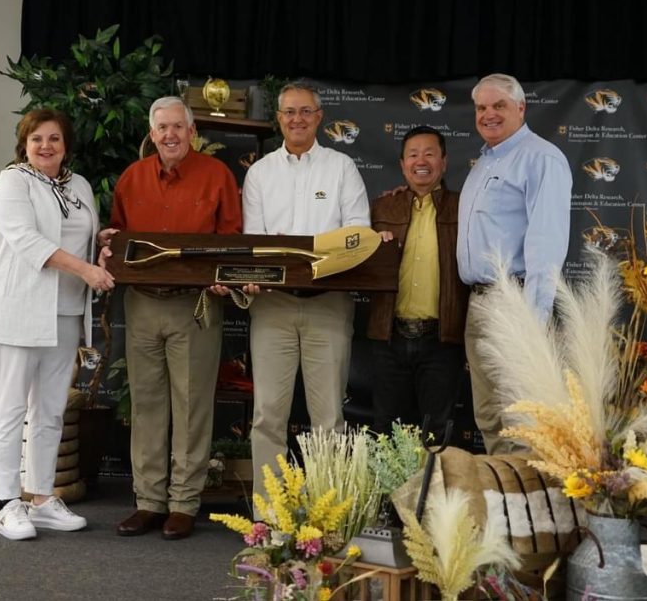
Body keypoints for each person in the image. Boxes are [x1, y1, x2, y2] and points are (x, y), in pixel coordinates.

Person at [0, 108, 115, 540]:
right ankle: (6, 503)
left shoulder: (79, 185)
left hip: (65, 311)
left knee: (51, 408)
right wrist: (88, 271)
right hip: (17, 311)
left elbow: (78, 237)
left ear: (66, 145)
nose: (46, 146)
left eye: (54, 138)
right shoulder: (12, 182)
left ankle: (40, 497)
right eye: (37, 138)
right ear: (24, 143)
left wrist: (101, 245)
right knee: (10, 407)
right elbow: (29, 241)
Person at [109, 96, 242, 540]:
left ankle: (184, 503)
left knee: (192, 406)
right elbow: (119, 239)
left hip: (196, 304)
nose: (170, 135)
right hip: (142, 303)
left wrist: (224, 278)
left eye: (178, 127)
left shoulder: (217, 176)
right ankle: (148, 501)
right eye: (162, 128)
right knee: (146, 405)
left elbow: (232, 239)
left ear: (191, 131)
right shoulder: (132, 178)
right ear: (152, 134)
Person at [241, 82, 370, 503]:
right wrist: (311, 246)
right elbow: (255, 243)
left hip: (329, 305)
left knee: (329, 417)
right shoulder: (260, 173)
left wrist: (298, 249)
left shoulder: (341, 168)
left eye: (305, 111)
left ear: (319, 117)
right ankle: (270, 514)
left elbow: (357, 235)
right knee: (267, 417)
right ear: (278, 118)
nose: (297, 119)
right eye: (289, 112)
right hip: (272, 306)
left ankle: (327, 512)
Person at [457, 73, 572, 454]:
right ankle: (500, 503)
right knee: (489, 415)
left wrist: (533, 321)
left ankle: (527, 508)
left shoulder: (540, 159)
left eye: (499, 106)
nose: (488, 114)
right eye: (481, 107)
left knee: (523, 417)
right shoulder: (486, 162)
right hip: (480, 302)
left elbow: (546, 244)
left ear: (521, 108)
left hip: (517, 302)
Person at [366, 126, 469, 440]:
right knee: (384, 431)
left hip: (441, 339)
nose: (420, 161)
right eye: (413, 154)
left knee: (437, 433)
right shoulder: (382, 208)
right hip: (388, 337)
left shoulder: (464, 206)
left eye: (429, 153)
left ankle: (433, 491)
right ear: (401, 164)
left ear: (444, 161)